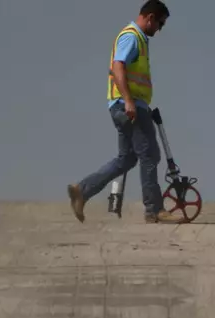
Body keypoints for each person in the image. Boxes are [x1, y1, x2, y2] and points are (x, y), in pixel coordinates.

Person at [67, 0, 184, 224]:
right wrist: (129, 101)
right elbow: (118, 65)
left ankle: (82, 191)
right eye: (160, 23)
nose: (159, 29)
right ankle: (154, 210)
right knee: (149, 154)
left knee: (127, 159)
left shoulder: (137, 38)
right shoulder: (132, 36)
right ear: (150, 17)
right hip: (128, 106)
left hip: (123, 106)